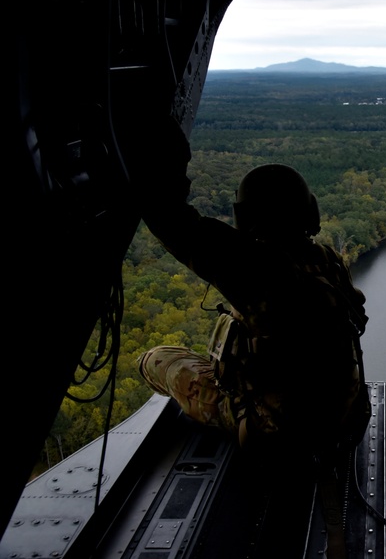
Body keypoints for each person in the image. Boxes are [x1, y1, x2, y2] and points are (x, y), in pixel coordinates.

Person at [130, 121, 369, 555]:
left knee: (157, 358)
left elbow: (171, 220)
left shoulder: (255, 268)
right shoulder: (327, 260)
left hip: (276, 438)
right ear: (310, 212)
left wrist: (167, 160)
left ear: (244, 218)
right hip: (344, 424)